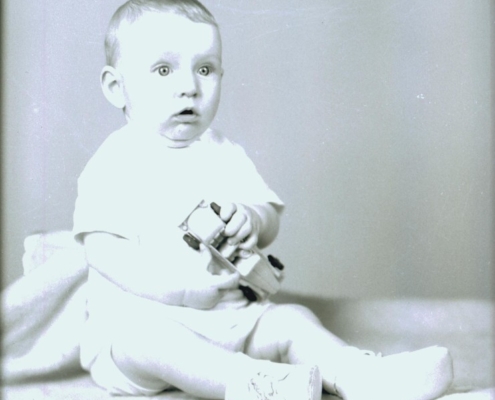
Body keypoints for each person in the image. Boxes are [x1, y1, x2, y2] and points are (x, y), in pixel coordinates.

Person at [73, 1, 454, 399]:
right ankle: (254, 384)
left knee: (291, 320)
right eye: (164, 70)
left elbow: (269, 218)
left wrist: (253, 218)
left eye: (205, 69)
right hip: (144, 329)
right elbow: (102, 251)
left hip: (232, 320)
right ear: (116, 87)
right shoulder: (113, 163)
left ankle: (360, 375)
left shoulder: (223, 153)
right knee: (149, 341)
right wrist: (179, 292)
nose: (189, 86)